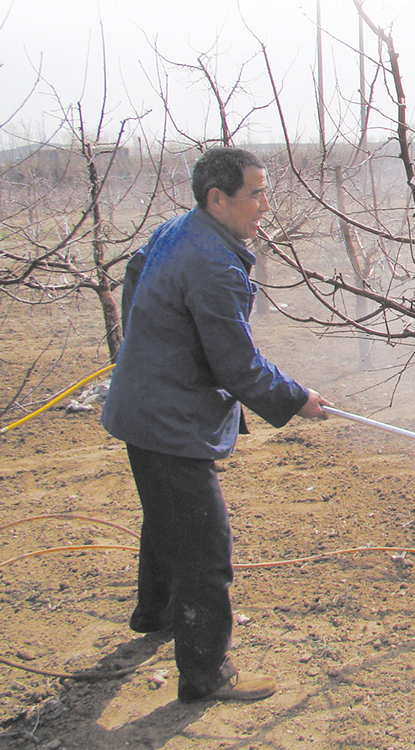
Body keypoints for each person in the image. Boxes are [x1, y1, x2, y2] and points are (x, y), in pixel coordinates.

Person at [102, 147, 331, 703]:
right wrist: (297, 398)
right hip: (167, 419)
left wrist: (154, 338)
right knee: (205, 548)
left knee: (169, 517)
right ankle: (206, 675)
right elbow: (238, 363)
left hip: (146, 410)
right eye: (255, 193)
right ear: (217, 198)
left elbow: (134, 273)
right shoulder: (214, 263)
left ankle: (154, 614)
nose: (265, 205)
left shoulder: (181, 230)